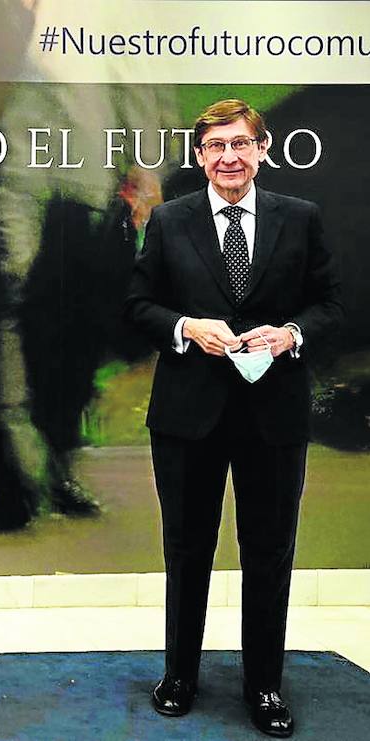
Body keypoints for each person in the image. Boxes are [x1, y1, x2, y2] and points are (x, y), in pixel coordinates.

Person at [125, 98, 342, 738]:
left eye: (240, 144)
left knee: (269, 553)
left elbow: (332, 304)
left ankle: (265, 686)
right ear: (200, 156)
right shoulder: (169, 221)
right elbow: (137, 307)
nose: (229, 157)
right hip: (187, 416)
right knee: (186, 550)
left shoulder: (300, 220)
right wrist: (186, 327)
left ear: (262, 149)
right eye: (216, 146)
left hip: (274, 417)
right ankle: (180, 675)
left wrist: (293, 334)